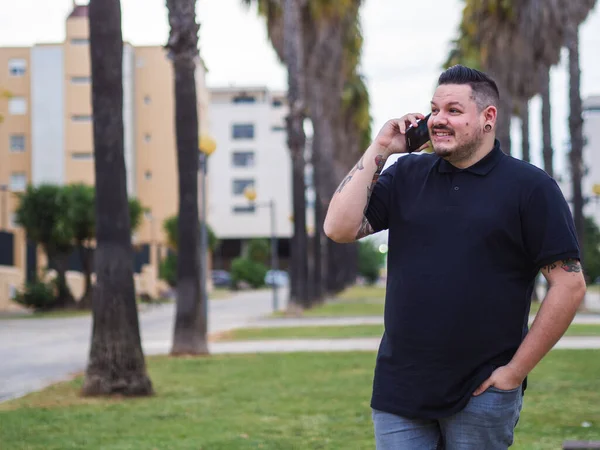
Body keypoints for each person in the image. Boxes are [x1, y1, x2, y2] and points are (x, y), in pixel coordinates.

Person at [324, 65, 587, 449]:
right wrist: (381, 147)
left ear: (488, 118)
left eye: (453, 110)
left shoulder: (530, 187)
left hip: (482, 393)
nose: (438, 120)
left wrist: (515, 372)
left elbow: (569, 283)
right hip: (400, 390)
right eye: (435, 109)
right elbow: (338, 228)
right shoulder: (407, 174)